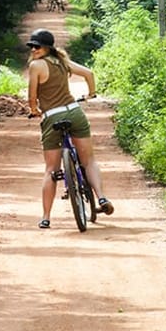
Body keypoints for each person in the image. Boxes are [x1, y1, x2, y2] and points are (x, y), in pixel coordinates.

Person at [25, 28, 114, 229]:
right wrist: (91, 94)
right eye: (31, 47)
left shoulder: (36, 66)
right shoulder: (63, 61)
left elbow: (32, 97)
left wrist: (34, 110)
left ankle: (46, 217)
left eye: (36, 47)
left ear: (47, 48)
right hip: (74, 112)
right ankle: (101, 197)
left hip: (52, 116)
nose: (33, 50)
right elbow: (88, 73)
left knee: (51, 170)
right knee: (89, 160)